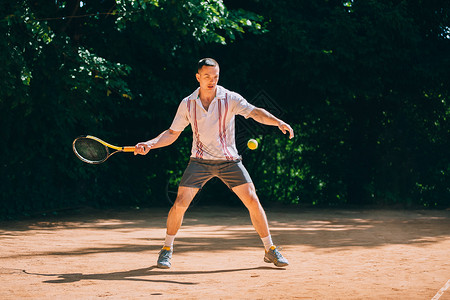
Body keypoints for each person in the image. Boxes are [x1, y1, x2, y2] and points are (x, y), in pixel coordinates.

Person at [134, 58, 294, 269]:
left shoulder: (230, 98)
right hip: (199, 161)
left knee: (253, 200)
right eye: (207, 76)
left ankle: (270, 250)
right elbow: (172, 133)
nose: (212, 80)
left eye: (215, 76)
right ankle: (166, 249)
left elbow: (255, 112)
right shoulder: (188, 103)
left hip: (229, 161)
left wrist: (278, 122)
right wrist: (151, 144)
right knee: (180, 203)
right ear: (198, 77)